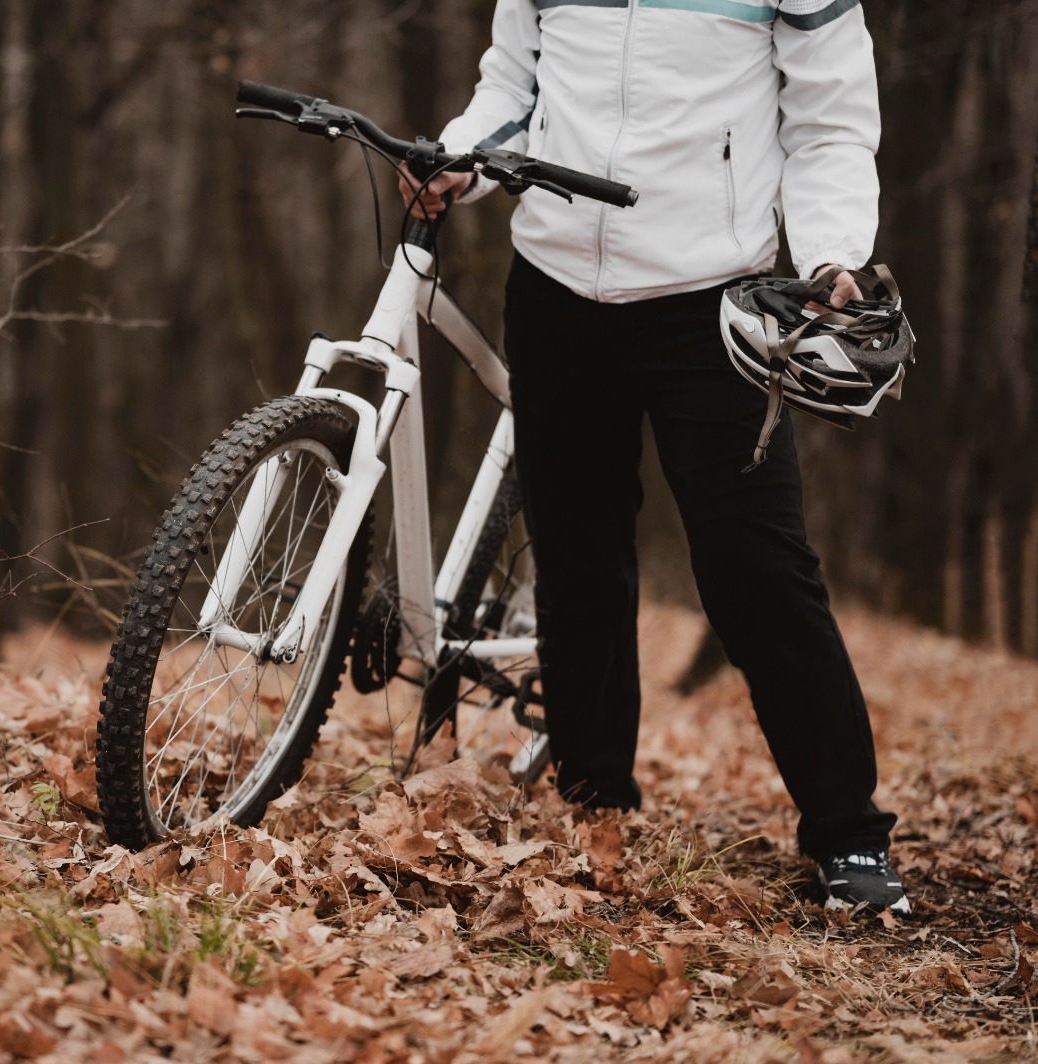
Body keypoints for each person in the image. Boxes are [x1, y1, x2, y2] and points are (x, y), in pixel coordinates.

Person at [406, 0, 908, 913]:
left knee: (757, 570)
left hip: (715, 301)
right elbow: (512, 85)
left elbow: (830, 121)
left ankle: (850, 836)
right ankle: (594, 802)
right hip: (555, 287)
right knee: (577, 558)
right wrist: (458, 161)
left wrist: (835, 253)